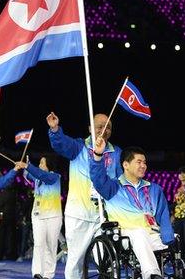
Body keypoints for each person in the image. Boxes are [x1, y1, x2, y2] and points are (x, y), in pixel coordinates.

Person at [46, 112, 123, 279]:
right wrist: (55, 129)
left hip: (104, 216)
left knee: (107, 261)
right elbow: (60, 144)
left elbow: (119, 183)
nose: (104, 129)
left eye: (108, 127)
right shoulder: (78, 147)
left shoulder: (116, 153)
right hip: (78, 214)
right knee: (76, 261)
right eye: (100, 126)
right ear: (90, 128)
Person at [90, 142, 174, 279]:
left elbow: (163, 215)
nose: (143, 166)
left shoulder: (154, 189)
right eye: (139, 162)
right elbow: (97, 178)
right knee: (139, 234)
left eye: (144, 162)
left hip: (151, 234)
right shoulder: (112, 187)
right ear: (125, 165)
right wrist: (98, 156)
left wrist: (168, 236)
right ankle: (152, 274)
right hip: (124, 236)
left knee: (176, 239)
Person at [24, 156, 62, 279]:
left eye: (42, 163)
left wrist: (28, 167)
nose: (40, 165)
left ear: (49, 165)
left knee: (51, 246)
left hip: (53, 216)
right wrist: (25, 166)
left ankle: (48, 275)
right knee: (39, 244)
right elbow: (28, 174)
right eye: (39, 163)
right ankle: (37, 272)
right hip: (37, 215)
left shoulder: (55, 177)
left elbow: (43, 176)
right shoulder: (37, 178)